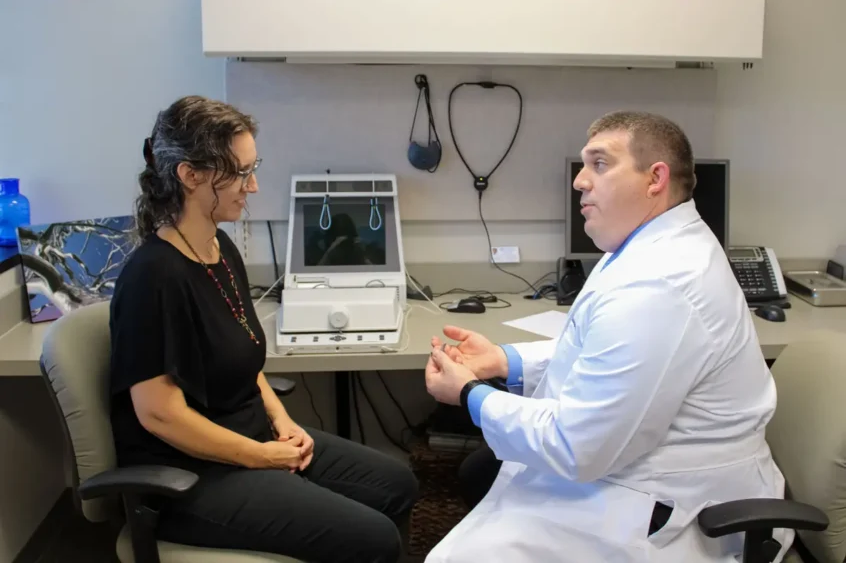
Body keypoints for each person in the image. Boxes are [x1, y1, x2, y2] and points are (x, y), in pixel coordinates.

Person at [423, 111, 791, 562]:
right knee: (489, 481)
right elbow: (606, 353)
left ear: (655, 178)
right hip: (638, 466)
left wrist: (469, 394)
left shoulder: (660, 282)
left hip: (668, 506)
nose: (580, 181)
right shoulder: (651, 246)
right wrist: (503, 361)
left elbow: (577, 448)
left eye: (599, 164)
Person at [109, 95, 418, 563]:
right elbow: (159, 414)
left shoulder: (219, 249)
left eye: (254, 168)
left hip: (251, 440)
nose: (252, 186)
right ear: (190, 176)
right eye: (239, 172)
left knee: (397, 484)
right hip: (189, 475)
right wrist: (260, 456)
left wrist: (283, 423)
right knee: (373, 538)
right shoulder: (153, 277)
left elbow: (247, 360)